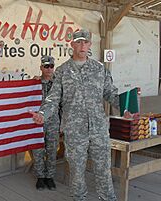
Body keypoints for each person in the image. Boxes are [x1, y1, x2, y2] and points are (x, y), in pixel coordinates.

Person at [29, 29, 120, 201]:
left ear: (90, 45)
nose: (82, 45)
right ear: (72, 44)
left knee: (103, 169)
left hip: (99, 129)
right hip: (75, 131)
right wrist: (42, 114)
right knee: (77, 173)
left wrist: (127, 105)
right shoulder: (62, 71)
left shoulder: (99, 69)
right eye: (78, 42)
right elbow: (53, 99)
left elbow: (111, 94)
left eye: (85, 42)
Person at [32, 55, 60, 191]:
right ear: (41, 67)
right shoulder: (35, 83)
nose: (49, 69)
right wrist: (32, 83)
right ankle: (40, 177)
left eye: (51, 66)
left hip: (54, 121)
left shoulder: (59, 83)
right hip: (38, 122)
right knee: (38, 149)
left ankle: (50, 177)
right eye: (46, 66)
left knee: (52, 149)